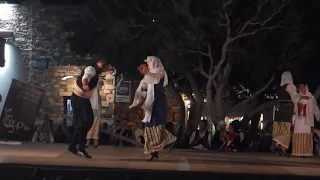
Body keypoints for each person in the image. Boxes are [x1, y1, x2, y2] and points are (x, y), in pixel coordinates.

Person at [129, 56, 176, 161]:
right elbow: (141, 88)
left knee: (157, 126)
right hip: (150, 104)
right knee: (149, 128)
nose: (148, 65)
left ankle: (168, 139)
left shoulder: (160, 72)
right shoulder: (149, 75)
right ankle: (153, 153)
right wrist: (135, 102)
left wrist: (147, 72)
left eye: (149, 63)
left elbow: (155, 79)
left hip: (158, 103)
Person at [68, 55, 105, 159]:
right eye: (100, 62)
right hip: (78, 98)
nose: (102, 65)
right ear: (96, 62)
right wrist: (84, 84)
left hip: (83, 99)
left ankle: (75, 146)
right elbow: (86, 77)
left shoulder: (97, 74)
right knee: (87, 121)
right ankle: (79, 147)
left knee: (86, 122)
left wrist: (99, 84)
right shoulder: (91, 68)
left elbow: (94, 86)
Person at [272, 71, 299, 156]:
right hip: (287, 109)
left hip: (279, 109)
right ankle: (282, 147)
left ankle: (278, 145)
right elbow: (295, 98)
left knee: (280, 126)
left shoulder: (280, 87)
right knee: (286, 128)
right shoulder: (290, 86)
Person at [292, 84, 320, 157]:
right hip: (299, 119)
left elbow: (315, 107)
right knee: (298, 134)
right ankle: (298, 152)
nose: (302, 88)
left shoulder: (311, 97)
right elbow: (295, 102)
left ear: (306, 87)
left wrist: (318, 116)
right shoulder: (297, 96)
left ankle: (305, 152)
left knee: (306, 135)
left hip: (307, 120)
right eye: (300, 87)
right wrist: (302, 97)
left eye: (303, 86)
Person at [85, 78, 103, 148]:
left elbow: (101, 82)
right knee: (89, 124)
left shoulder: (96, 85)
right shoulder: (87, 85)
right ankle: (88, 140)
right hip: (89, 107)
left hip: (96, 107)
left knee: (96, 124)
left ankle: (95, 140)